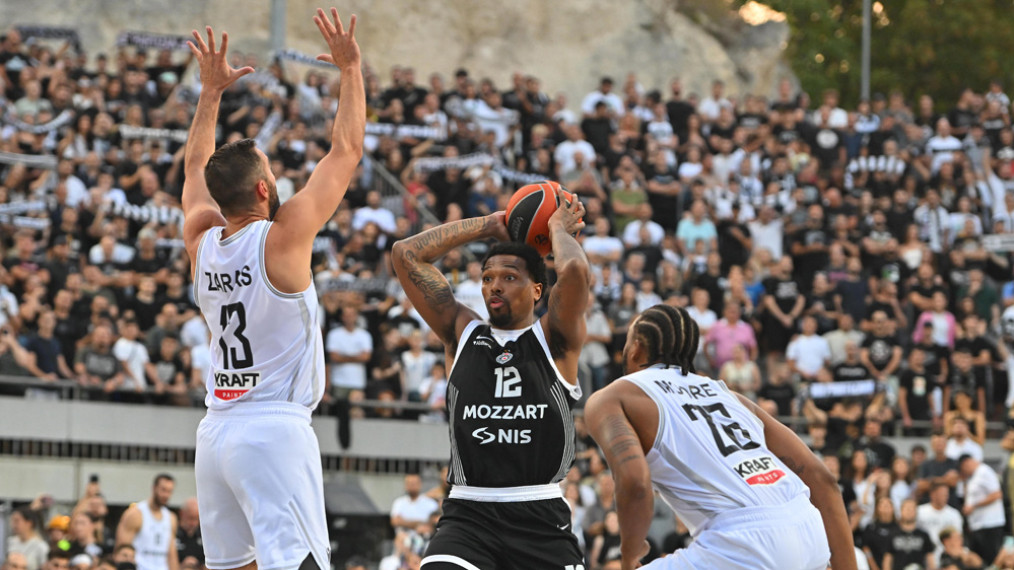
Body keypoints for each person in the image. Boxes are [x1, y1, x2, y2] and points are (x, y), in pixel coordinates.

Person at [180, 12, 364, 570]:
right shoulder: (283, 239)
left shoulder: (200, 239)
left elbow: (195, 167)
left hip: (215, 432)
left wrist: (209, 94)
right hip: (274, 429)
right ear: (263, 188)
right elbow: (346, 151)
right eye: (272, 172)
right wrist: (351, 69)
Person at [392, 194, 590, 566]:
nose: (494, 286)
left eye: (509, 277)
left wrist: (558, 231)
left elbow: (576, 272)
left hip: (539, 515)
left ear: (537, 290)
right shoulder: (461, 332)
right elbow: (406, 254)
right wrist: (488, 224)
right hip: (468, 515)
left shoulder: (553, 339)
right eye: (487, 278)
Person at [585, 304, 856, 570]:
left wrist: (629, 554)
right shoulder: (730, 396)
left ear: (635, 348)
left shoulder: (611, 397)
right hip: (807, 527)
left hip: (741, 542)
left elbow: (635, 483)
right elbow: (822, 479)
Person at [115, 474, 178, 570]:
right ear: (154, 488)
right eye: (163, 490)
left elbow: (172, 554)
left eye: (169, 491)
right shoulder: (135, 514)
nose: (166, 495)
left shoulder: (171, 518)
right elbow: (121, 549)